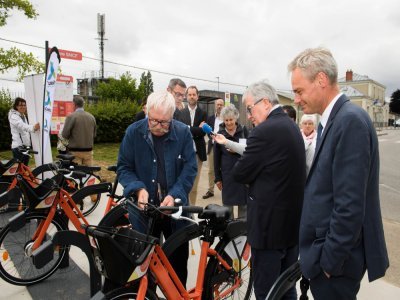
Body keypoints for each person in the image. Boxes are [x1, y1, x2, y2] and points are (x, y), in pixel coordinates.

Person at [288, 47, 389, 300]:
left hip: (336, 265)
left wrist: (329, 263)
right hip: (329, 258)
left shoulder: (349, 121)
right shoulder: (334, 119)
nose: (297, 100)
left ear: (321, 80)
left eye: (299, 91)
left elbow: (349, 207)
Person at [232, 80, 305, 300]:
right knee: (286, 288)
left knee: (266, 292)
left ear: (264, 103)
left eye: (249, 108)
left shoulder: (264, 131)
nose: (249, 115)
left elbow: (240, 173)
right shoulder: (292, 126)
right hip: (291, 228)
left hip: (268, 231)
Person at [117, 90, 197, 287]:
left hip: (175, 211)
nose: (158, 127)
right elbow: (124, 168)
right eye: (153, 121)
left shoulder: (183, 132)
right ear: (147, 113)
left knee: (177, 265)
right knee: (143, 266)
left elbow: (190, 168)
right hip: (143, 212)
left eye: (164, 122)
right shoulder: (133, 132)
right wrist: (138, 189)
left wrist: (175, 194)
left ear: (172, 116)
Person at [214, 104, 248, 219]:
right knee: (227, 208)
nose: (229, 123)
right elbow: (216, 158)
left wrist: (237, 150)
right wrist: (217, 178)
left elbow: (249, 150)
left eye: (231, 120)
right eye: (226, 120)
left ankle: (243, 233)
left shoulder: (244, 131)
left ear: (236, 118)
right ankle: (229, 233)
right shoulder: (220, 134)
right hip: (227, 175)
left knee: (244, 206)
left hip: (243, 174)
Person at [178, 85, 207, 205]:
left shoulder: (203, 113)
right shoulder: (181, 113)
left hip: (197, 154)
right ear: (186, 96)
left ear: (197, 96)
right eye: (189, 94)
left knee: (194, 186)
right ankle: (182, 209)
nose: (191, 96)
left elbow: (203, 131)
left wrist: (188, 129)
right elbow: (181, 131)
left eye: (194, 94)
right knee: (183, 184)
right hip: (183, 154)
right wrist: (195, 129)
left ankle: (191, 210)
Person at [61, 95, 97, 166]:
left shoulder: (71, 117)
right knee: (89, 175)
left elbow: (64, 135)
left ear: (74, 104)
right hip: (88, 150)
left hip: (75, 151)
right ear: (83, 104)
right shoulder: (91, 117)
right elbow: (94, 134)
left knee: (76, 175)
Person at [202, 98, 224, 199]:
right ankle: (210, 190)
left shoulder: (226, 118)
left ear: (224, 106)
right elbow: (207, 130)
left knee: (225, 168)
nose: (219, 106)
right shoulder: (210, 118)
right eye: (218, 105)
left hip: (224, 147)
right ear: (215, 106)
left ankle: (226, 188)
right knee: (211, 170)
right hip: (213, 146)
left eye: (221, 104)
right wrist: (209, 134)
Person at [8, 97, 40, 165]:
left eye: (24, 105)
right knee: (19, 169)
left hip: (25, 146)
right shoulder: (14, 116)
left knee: (24, 168)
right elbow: (22, 126)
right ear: (16, 106)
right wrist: (33, 128)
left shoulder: (22, 115)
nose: (23, 107)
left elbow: (25, 132)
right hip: (18, 147)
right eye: (20, 105)